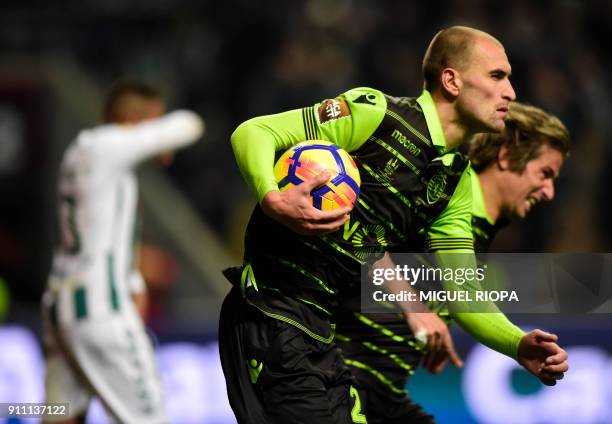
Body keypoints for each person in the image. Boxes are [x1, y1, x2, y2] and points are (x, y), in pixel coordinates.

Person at [220, 26, 566, 424]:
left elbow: (463, 292)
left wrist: (517, 344)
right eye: (497, 76)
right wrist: (272, 198)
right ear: (451, 80)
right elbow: (254, 132)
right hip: (270, 311)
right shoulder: (375, 114)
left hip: (322, 334)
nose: (510, 92)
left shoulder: (452, 183)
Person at [335, 101, 571, 423]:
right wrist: (516, 342)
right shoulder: (446, 197)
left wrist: (432, 323)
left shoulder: (477, 224)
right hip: (345, 378)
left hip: (379, 391)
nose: (550, 192)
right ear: (505, 156)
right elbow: (360, 234)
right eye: (545, 173)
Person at [42, 81, 204, 424]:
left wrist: (133, 280)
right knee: (149, 419)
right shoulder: (108, 145)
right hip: (101, 310)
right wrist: (165, 125)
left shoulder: (82, 151)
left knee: (59, 415)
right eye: (154, 119)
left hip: (61, 307)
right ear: (136, 121)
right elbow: (189, 125)